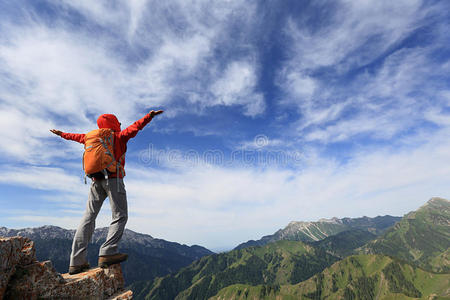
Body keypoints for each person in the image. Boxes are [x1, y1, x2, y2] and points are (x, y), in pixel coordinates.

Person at [50, 109, 164, 275]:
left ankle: (76, 262)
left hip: (95, 181)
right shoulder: (118, 137)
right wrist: (149, 116)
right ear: (114, 124)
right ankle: (108, 252)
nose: (120, 125)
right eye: (118, 123)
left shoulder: (90, 137)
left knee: (88, 217)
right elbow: (135, 127)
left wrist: (61, 134)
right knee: (120, 215)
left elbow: (74, 136)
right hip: (114, 179)